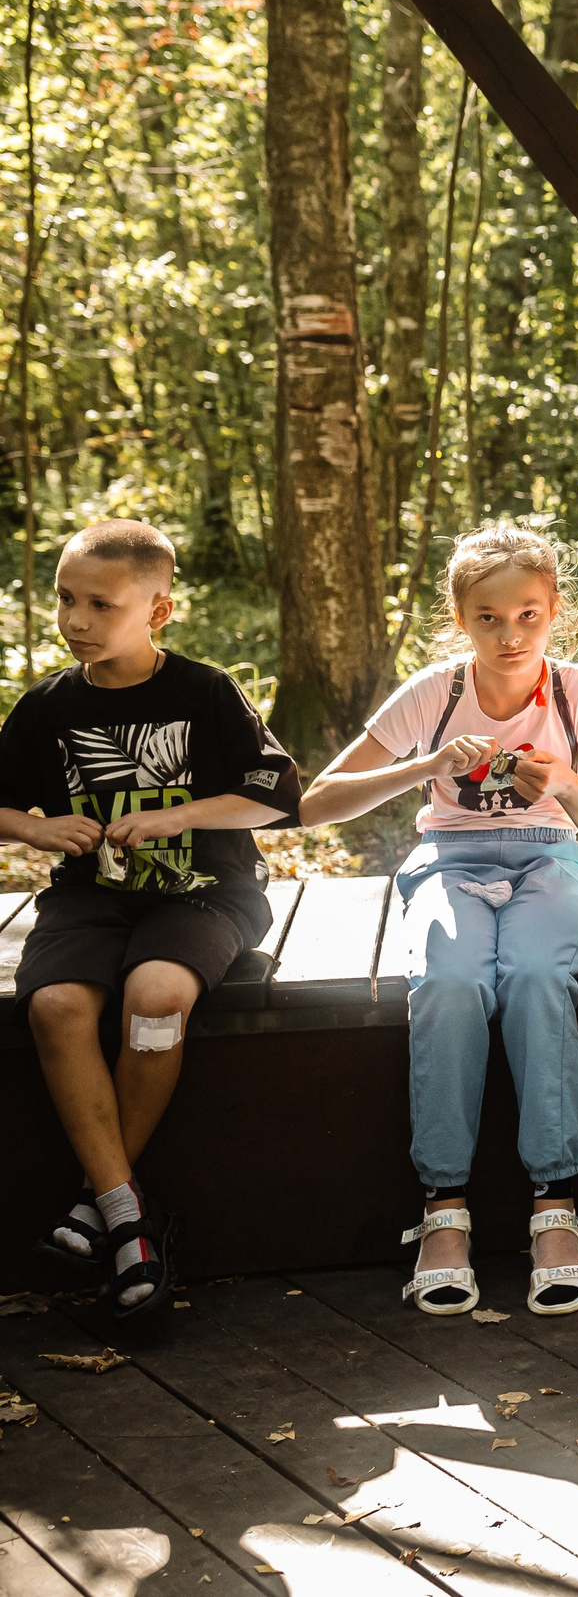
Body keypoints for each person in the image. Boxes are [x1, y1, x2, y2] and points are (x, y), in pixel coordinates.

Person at [301, 524, 578, 1316]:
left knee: (535, 975)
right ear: (460, 615)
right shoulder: (435, 691)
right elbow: (315, 805)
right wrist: (427, 764)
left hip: (552, 856)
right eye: (488, 617)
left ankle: (555, 1206)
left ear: (554, 610)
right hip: (450, 861)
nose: (510, 634)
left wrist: (563, 788)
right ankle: (443, 1208)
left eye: (527, 614)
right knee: (450, 980)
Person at [0, 520, 301, 1316]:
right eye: (66, 598)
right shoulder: (47, 707)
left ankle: (103, 1205)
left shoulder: (204, 691)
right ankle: (130, 1213)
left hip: (204, 891)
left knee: (157, 1001)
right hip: (89, 896)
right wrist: (33, 828)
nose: (76, 619)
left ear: (159, 611)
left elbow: (277, 797)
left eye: (101, 603)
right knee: (57, 1006)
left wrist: (179, 817)